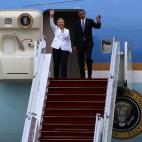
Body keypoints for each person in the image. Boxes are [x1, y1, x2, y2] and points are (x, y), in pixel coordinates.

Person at [73, 9, 101, 78]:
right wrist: (74, 45)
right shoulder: (76, 23)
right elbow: (74, 34)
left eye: (82, 13)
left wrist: (98, 21)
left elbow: (97, 26)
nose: (81, 15)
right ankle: (82, 76)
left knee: (88, 59)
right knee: (81, 61)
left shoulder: (90, 21)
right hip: (80, 45)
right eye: (80, 14)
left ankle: (89, 75)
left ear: (85, 14)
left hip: (88, 44)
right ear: (78, 15)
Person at [50, 10, 72, 78]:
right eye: (59, 22)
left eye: (62, 22)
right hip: (56, 48)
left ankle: (64, 79)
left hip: (65, 49)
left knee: (63, 64)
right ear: (57, 23)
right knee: (56, 63)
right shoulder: (55, 29)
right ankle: (56, 78)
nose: (60, 23)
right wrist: (51, 16)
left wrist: (70, 49)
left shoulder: (67, 30)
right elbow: (51, 23)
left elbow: (69, 40)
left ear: (64, 23)